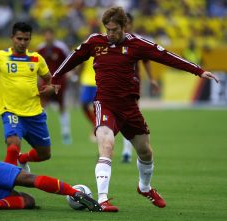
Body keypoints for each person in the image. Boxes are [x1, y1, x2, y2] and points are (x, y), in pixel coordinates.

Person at [52, 7, 219, 212]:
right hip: (105, 103)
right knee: (106, 145)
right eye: (108, 29)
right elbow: (73, 57)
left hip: (129, 107)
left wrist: (198, 71)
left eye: (114, 29)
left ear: (124, 26)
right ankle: (102, 200)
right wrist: (55, 77)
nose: (110, 34)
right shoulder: (95, 42)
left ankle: (145, 187)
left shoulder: (137, 44)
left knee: (145, 152)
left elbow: (166, 56)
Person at [0, 22, 56, 172]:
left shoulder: (36, 59)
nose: (22, 42)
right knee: (13, 145)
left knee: (45, 154)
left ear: (30, 39)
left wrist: (50, 89)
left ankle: (23, 159)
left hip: (34, 113)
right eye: (19, 38)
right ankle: (5, 184)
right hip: (11, 111)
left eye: (26, 39)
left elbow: (49, 79)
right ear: (12, 38)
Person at [121, 12, 160, 163]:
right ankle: (107, 147)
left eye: (128, 23)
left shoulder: (137, 42)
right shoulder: (112, 40)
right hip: (115, 85)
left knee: (130, 115)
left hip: (133, 83)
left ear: (131, 24)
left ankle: (126, 151)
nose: (126, 26)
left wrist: (152, 79)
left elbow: (146, 61)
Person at [37, 27, 72, 145]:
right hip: (45, 82)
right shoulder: (40, 48)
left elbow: (70, 59)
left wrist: (70, 73)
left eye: (50, 35)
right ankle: (42, 134)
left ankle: (66, 133)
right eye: (46, 35)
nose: (48, 37)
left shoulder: (60, 48)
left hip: (59, 81)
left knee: (62, 107)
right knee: (42, 107)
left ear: (53, 36)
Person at [78, 56, 97, 142]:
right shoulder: (86, 47)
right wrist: (78, 75)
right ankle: (95, 124)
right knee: (84, 105)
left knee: (97, 107)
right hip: (86, 81)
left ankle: (97, 129)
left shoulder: (104, 47)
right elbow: (81, 63)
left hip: (98, 81)